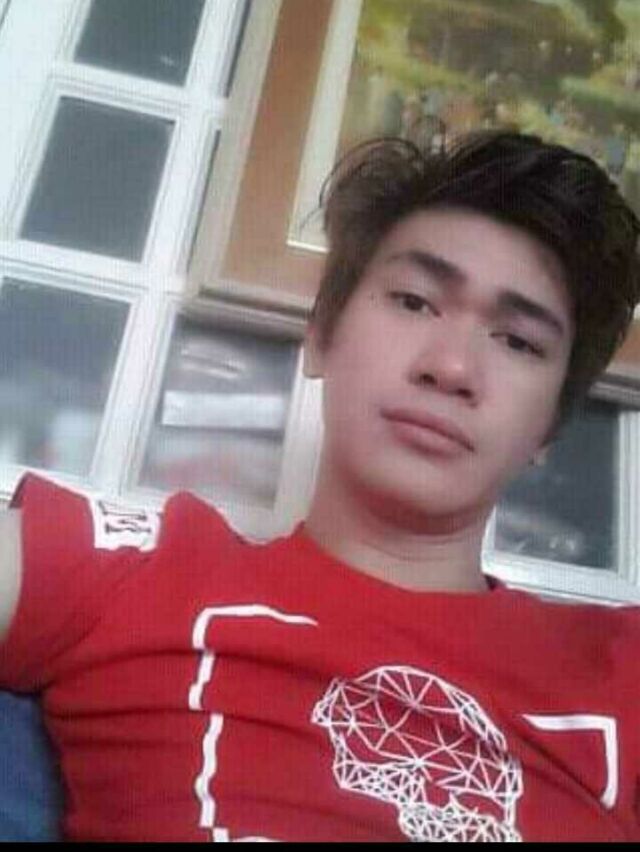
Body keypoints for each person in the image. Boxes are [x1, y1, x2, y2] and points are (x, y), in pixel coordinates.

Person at [1, 130, 639, 842]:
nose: (452, 368)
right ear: (320, 337)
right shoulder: (136, 573)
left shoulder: (622, 668)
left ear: (549, 428)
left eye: (519, 341)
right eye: (415, 301)